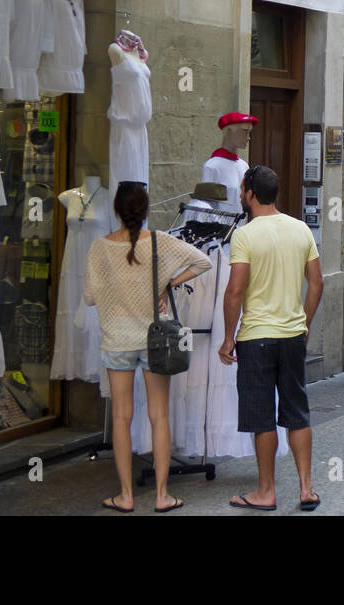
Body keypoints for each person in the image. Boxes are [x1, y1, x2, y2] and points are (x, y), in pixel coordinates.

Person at [85, 181, 213, 513]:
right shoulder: (160, 242)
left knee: (121, 417)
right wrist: (168, 282)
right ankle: (162, 495)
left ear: (116, 209)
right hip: (155, 339)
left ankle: (125, 496)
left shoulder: (100, 248)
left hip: (116, 339)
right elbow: (203, 262)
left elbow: (88, 296)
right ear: (144, 210)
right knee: (159, 415)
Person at [220, 166, 324, 512]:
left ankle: (266, 491)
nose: (239, 195)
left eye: (241, 190)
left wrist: (228, 338)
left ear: (250, 194)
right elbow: (317, 282)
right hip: (293, 335)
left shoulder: (245, 235)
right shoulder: (300, 229)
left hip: (256, 337)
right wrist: (304, 322)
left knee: (261, 415)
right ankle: (306, 488)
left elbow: (235, 291)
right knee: (297, 410)